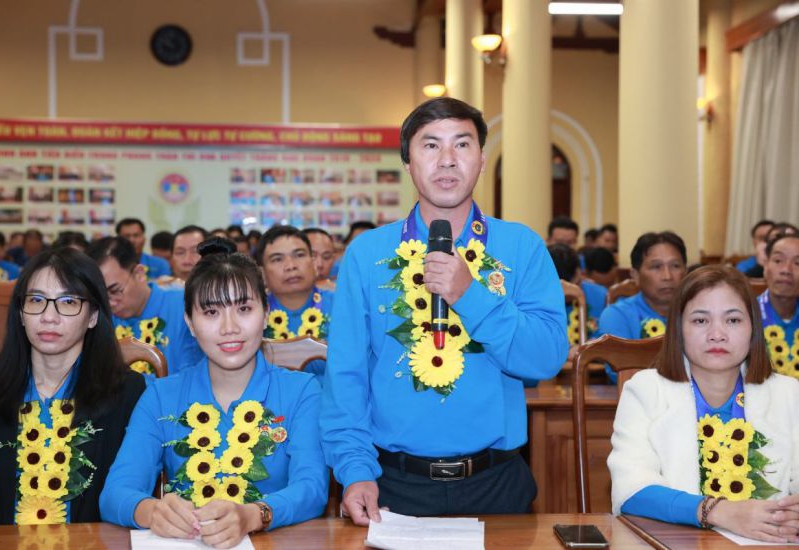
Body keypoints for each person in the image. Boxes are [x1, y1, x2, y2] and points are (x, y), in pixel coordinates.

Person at [320, 97, 566, 523]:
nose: (447, 160)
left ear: (483, 159)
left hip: (497, 481)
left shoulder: (521, 247)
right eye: (431, 146)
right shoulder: (367, 254)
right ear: (408, 163)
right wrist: (355, 470)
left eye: (462, 145)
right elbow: (346, 377)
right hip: (392, 484)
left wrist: (470, 294)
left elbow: (545, 358)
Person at [100, 239, 327, 545]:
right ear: (190, 324)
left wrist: (253, 514)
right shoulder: (161, 396)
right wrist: (150, 510)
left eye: (244, 308)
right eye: (211, 313)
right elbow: (115, 493)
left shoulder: (301, 391)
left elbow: (312, 488)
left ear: (266, 313)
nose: (229, 327)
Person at [609, 265, 799, 544]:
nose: (717, 334)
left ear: (753, 329)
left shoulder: (789, 394)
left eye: (733, 320)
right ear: (679, 329)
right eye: (700, 321)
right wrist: (719, 511)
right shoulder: (646, 390)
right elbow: (631, 490)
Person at [0, 248, 145, 524]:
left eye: (67, 302)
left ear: (92, 316)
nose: (48, 316)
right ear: (20, 313)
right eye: (36, 300)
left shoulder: (128, 395)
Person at [87, 237, 204, 376]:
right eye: (101, 296)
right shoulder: (99, 318)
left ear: (139, 274)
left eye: (115, 291)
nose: (110, 303)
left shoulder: (185, 305)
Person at [598, 231, 687, 382]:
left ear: (686, 272)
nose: (667, 276)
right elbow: (621, 374)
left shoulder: (702, 314)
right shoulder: (617, 315)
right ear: (635, 275)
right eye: (656, 267)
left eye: (675, 266)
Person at [256, 226, 332, 381]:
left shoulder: (343, 306)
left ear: (313, 262)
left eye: (299, 255)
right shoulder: (252, 313)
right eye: (277, 259)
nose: (291, 266)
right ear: (262, 272)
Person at [759, 233, 799, 378]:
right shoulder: (745, 315)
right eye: (778, 260)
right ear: (765, 266)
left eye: (797, 263)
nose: (786, 270)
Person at [548, 243, 606, 342]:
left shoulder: (601, 295)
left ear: (580, 271)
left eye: (577, 284)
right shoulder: (529, 302)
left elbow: (607, 335)